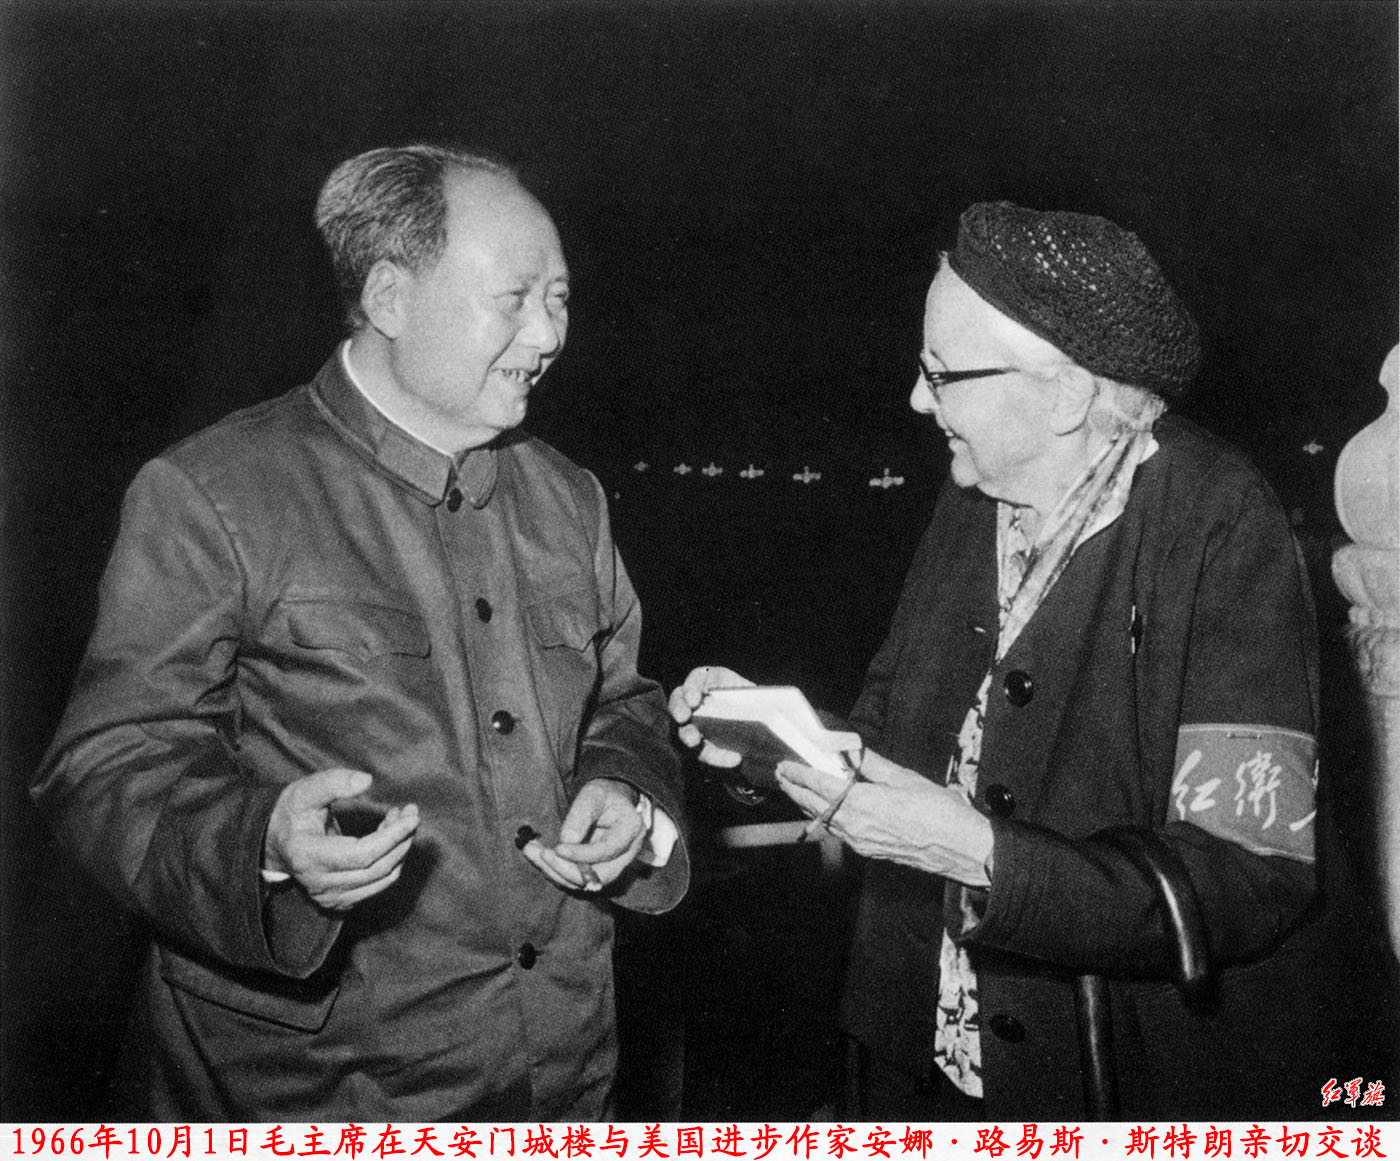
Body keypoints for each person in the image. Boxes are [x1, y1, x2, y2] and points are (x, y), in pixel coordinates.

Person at [33, 144, 688, 1121]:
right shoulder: (215, 493)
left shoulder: (570, 499)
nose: (550, 332)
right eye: (514, 299)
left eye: (558, 298)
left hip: (562, 1078)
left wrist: (623, 789)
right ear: (389, 298)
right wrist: (262, 841)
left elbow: (622, 702)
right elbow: (103, 765)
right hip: (306, 1097)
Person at [672, 201, 1318, 1119]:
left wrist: (981, 854)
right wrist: (775, 741)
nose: (916, 399)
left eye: (942, 373)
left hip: (1108, 1086)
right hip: (924, 1060)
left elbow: (1251, 877)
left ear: (1065, 394)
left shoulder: (1218, 521)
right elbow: (893, 737)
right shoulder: (974, 497)